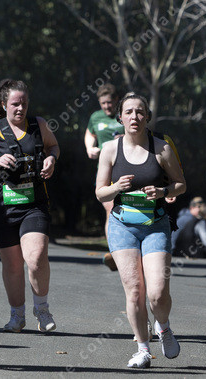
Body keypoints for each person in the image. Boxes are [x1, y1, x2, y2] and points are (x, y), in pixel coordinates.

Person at [95, 93, 186, 368]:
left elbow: (181, 184)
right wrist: (116, 187)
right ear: (120, 117)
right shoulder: (110, 149)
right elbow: (100, 192)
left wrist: (163, 191)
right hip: (122, 226)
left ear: (147, 117)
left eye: (139, 112)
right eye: (128, 112)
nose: (134, 116)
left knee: (157, 293)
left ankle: (164, 327)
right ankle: (143, 349)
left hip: (155, 226)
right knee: (134, 291)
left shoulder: (161, 148)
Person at [0, 79, 60, 334]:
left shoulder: (39, 125)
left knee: (35, 257)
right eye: (15, 104)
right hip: (3, 206)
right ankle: (17, 315)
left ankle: (42, 309)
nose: (20, 108)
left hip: (34, 203)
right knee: (12, 265)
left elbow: (54, 146)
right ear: (4, 104)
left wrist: (51, 159)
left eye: (24, 103)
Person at [84, 83, 123, 270]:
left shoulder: (125, 114)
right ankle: (114, 252)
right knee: (110, 208)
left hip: (125, 167)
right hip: (105, 170)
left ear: (116, 100)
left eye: (109, 102)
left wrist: (124, 140)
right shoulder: (96, 117)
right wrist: (89, 148)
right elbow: (89, 134)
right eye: (103, 103)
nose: (107, 106)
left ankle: (128, 250)